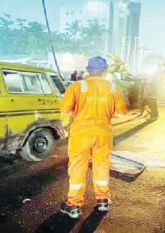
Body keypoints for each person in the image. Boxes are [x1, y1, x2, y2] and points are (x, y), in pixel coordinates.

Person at [60, 56, 127, 218]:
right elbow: (120, 114)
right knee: (102, 166)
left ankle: (74, 205)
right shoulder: (113, 88)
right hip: (103, 133)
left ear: (88, 70)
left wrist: (68, 123)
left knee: (77, 167)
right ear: (105, 71)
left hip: (81, 134)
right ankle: (103, 200)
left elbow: (65, 111)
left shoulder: (77, 86)